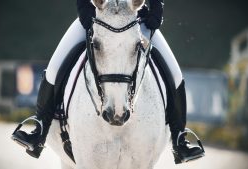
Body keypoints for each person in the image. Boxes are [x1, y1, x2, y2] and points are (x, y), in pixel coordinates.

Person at [12, 0, 204, 164]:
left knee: (176, 75)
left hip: (136, 19)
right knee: (54, 68)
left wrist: (156, 9)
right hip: (97, 15)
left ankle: (179, 140)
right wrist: (85, 11)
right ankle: (39, 131)